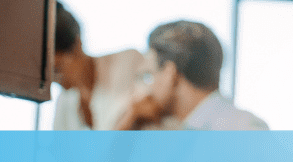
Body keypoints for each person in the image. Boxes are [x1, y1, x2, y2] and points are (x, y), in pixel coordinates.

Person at [114, 20, 268, 131]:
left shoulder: (239, 128)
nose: (144, 90)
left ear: (169, 73)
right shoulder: (192, 130)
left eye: (148, 76)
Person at [51, 0, 146, 130]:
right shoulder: (64, 101)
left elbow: (150, 112)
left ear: (77, 46)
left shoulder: (129, 62)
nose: (53, 80)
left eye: (57, 69)